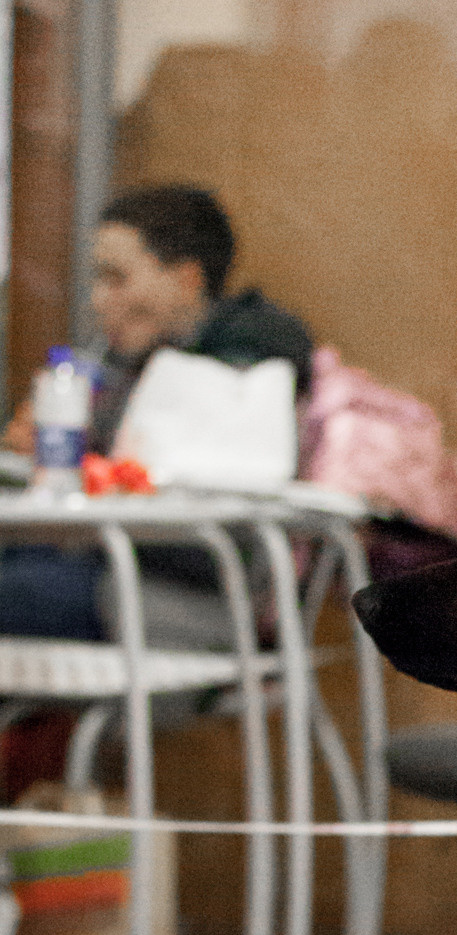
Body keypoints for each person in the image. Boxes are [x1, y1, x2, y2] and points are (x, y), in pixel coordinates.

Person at [0, 184, 314, 649]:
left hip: (183, 600)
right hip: (113, 574)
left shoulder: (244, 371)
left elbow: (193, 529)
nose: (97, 299)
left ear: (186, 279)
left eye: (116, 278)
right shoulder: (130, 365)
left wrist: (85, 461)